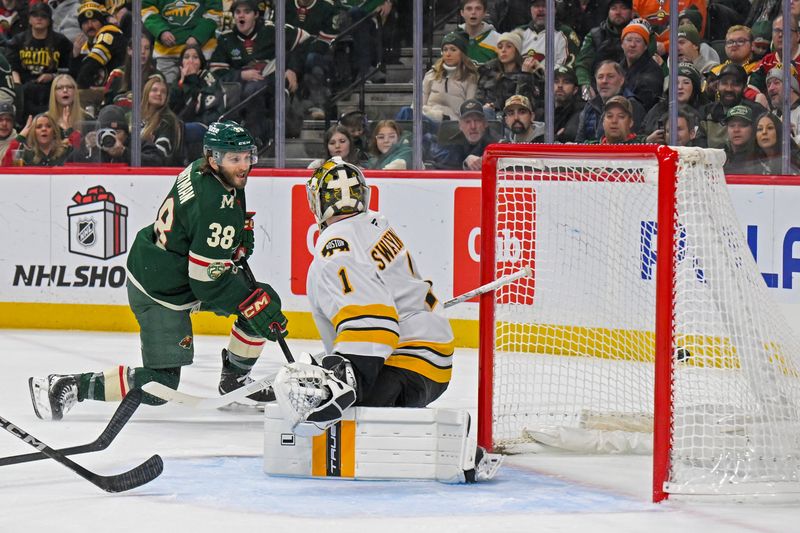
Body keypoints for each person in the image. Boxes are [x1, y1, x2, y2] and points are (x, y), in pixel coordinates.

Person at [28, 121, 289, 420]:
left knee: (261, 298)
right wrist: (251, 305)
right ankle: (68, 385)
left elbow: (199, 225)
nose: (244, 166)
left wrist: (233, 238)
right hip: (160, 290)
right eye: (234, 159)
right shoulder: (216, 208)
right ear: (213, 158)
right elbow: (206, 283)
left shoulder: (200, 169)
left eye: (247, 157)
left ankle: (234, 380)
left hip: (165, 265)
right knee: (160, 384)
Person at [279, 157, 454, 434]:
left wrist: (343, 382)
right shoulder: (374, 223)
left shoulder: (334, 250)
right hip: (433, 360)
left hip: (406, 367)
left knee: (311, 410)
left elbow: (374, 329)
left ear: (316, 201)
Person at [210, 0, 309, 147]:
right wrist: (240, 75)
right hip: (241, 88)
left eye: (246, 12)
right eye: (237, 12)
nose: (241, 16)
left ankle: (256, 139)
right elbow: (217, 71)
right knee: (243, 92)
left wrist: (293, 69)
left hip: (273, 80)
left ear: (256, 14)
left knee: (255, 90)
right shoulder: (226, 38)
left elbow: (305, 39)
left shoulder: (271, 30)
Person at [6, 3, 72, 118]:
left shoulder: (61, 42)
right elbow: (12, 68)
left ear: (49, 20)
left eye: (43, 16)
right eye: (35, 15)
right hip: (25, 89)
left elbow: (68, 70)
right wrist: (18, 88)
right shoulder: (18, 41)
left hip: (52, 89)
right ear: (29, 19)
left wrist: (52, 76)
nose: (39, 18)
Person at [143, 0, 222, 84]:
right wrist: (160, 31)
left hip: (201, 54)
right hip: (167, 55)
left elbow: (214, 12)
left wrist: (198, 36)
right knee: (167, 92)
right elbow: (146, 9)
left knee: (202, 92)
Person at [575, 0, 635, 102]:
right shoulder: (595, 35)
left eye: (623, 8)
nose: (618, 12)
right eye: (613, 8)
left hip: (632, 87)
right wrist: (585, 85)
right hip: (599, 87)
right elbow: (582, 64)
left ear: (632, 12)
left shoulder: (643, 35)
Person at [699, 63, 767, 149]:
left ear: (745, 88)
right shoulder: (706, 112)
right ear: (717, 86)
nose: (729, 89)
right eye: (724, 83)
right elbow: (699, 148)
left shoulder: (757, 112)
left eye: (735, 84)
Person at [576, 59, 645, 142]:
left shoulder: (633, 105)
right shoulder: (590, 106)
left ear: (621, 80)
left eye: (610, 76)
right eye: (600, 77)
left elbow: (635, 141)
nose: (604, 81)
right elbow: (579, 141)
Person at [475, 31, 537, 118]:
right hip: (489, 117)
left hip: (514, 118)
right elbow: (479, 97)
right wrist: (486, 106)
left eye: (508, 46)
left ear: (517, 51)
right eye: (500, 47)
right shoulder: (488, 71)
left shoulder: (527, 73)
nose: (503, 50)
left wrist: (525, 75)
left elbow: (525, 103)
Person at [427, 98, 498, 169]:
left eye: (477, 120)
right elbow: (444, 166)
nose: (473, 126)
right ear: (460, 126)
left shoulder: (496, 143)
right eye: (468, 122)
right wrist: (465, 164)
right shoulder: (452, 143)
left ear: (485, 123)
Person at [72, 2, 127, 89]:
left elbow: (92, 63)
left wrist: (79, 87)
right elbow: (75, 74)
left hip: (119, 88)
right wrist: (75, 55)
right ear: (81, 27)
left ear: (101, 23)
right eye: (85, 22)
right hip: (101, 91)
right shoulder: (84, 47)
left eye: (94, 21)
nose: (90, 25)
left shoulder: (109, 33)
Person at [619, 18, 664, 110]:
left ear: (645, 46)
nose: (632, 44)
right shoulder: (618, 67)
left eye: (638, 41)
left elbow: (642, 106)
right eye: (629, 40)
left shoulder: (653, 71)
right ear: (622, 44)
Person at [141, 75, 182, 166]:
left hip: (158, 173)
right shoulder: (135, 117)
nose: (159, 93)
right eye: (154, 90)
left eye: (163, 92)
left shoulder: (168, 121)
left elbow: (159, 157)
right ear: (146, 93)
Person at [7, 113, 72, 166]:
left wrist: (69, 130)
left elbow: (80, 149)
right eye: (38, 127)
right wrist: (21, 136)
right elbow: (5, 166)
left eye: (48, 126)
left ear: (54, 132)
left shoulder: (65, 150)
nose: (44, 129)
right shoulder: (26, 153)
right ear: (33, 133)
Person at [47, 74, 89, 150]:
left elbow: (84, 151)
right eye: (60, 88)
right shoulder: (44, 120)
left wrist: (69, 131)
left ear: (75, 92)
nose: (65, 90)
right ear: (54, 93)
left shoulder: (87, 119)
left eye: (69, 87)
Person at [765, 65, 800, 144]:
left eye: (776, 82)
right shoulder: (771, 115)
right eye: (768, 85)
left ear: (791, 87)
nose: (771, 88)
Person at [458, 0, 500, 65]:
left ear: (485, 13)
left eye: (478, 8)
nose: (473, 12)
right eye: (469, 9)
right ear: (462, 13)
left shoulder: (498, 40)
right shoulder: (453, 38)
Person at [722, 104, 757, 174]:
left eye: (742, 125)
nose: (736, 130)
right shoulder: (719, 153)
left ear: (753, 129)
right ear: (726, 129)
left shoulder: (759, 156)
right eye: (732, 125)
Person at [553, 65, 584, 142]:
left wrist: (555, 138)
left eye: (566, 82)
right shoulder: (543, 110)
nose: (560, 86)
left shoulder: (580, 110)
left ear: (575, 90)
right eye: (556, 81)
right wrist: (556, 136)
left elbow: (568, 136)